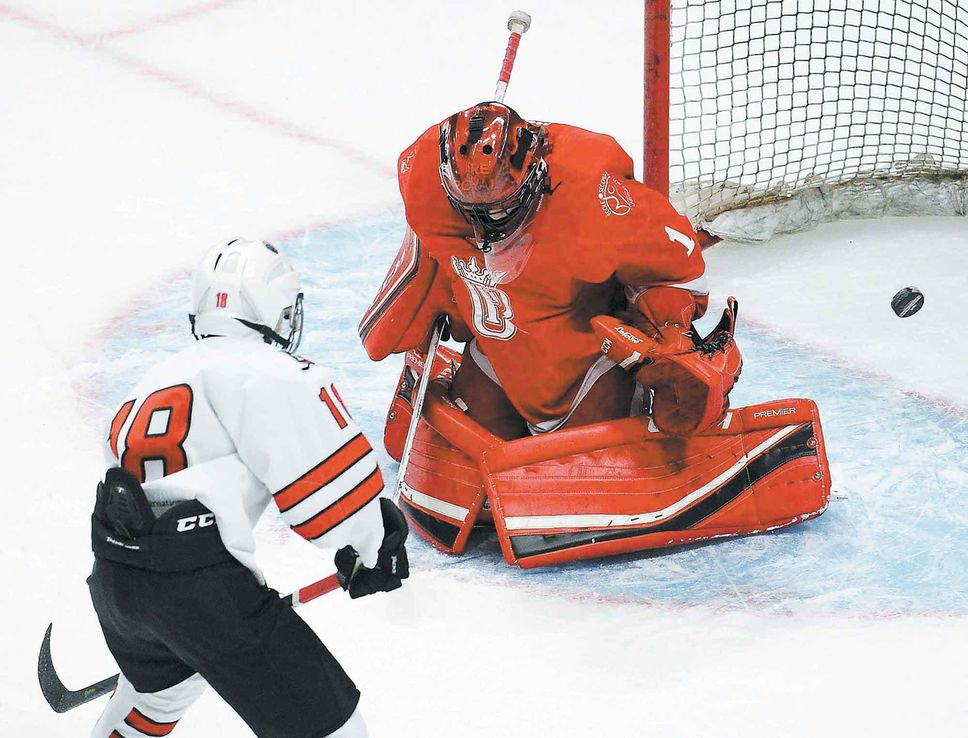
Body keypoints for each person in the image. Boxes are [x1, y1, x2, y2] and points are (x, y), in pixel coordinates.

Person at [88, 239, 408, 738]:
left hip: (115, 579)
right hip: (198, 591)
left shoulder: (155, 378)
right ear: (273, 306)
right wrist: (372, 548)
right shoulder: (268, 372)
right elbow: (330, 495)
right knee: (336, 730)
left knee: (158, 697)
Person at [386, 101, 739, 440]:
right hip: (497, 354)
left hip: (583, 368)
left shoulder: (592, 193)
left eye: (501, 208)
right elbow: (432, 241)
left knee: (591, 478)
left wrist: (671, 332)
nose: (486, 226)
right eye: (471, 210)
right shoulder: (423, 178)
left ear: (538, 175)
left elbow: (678, 270)